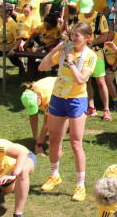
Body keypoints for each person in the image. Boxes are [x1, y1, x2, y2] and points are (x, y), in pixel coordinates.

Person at [38, 22, 97, 202]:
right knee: (54, 139)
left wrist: (70, 60)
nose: (73, 39)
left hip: (76, 100)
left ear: (87, 38)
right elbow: (42, 66)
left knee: (75, 143)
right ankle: (54, 174)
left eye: (77, 36)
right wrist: (56, 49)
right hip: (58, 97)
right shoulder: (65, 50)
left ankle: (80, 185)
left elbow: (80, 80)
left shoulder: (90, 55)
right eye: (71, 35)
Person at [76, 0, 113, 119]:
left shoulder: (100, 17)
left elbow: (105, 35)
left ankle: (106, 109)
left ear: (92, 7)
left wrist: (92, 43)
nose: (85, 13)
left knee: (100, 81)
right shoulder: (79, 17)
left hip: (96, 54)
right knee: (86, 81)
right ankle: (91, 107)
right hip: (82, 54)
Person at [22, 76, 55, 156]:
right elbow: (32, 115)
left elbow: (47, 123)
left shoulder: (49, 98)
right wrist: (36, 137)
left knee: (59, 120)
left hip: (66, 90)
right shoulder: (28, 93)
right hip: (51, 87)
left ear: (39, 97)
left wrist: (39, 144)